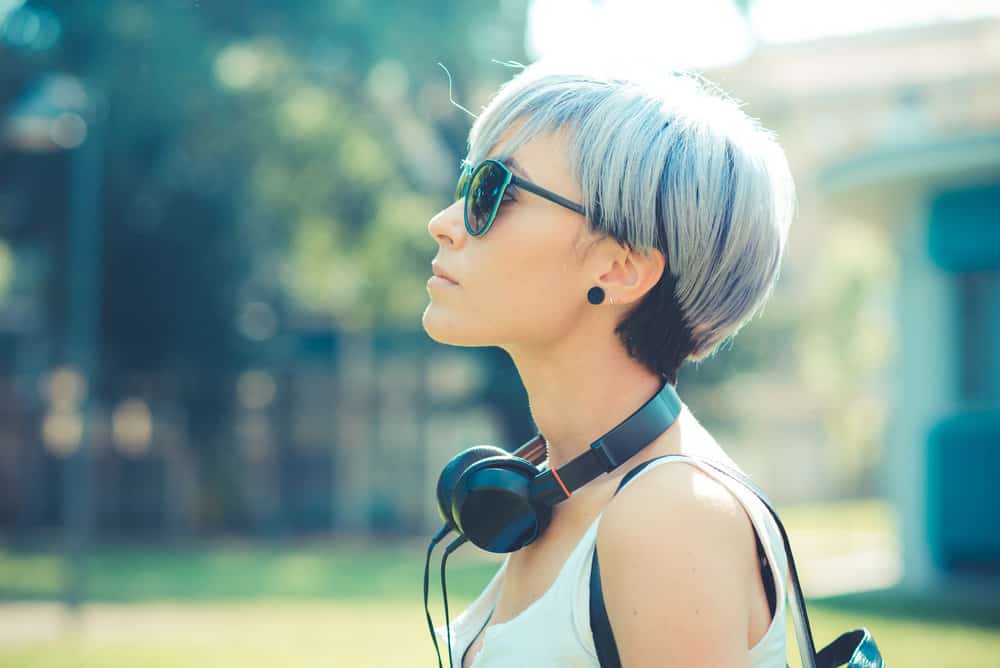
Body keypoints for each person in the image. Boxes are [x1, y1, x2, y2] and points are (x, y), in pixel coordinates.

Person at [423, 59, 796, 667]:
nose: (444, 224)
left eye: (494, 191)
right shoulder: (564, 487)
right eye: (465, 184)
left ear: (620, 268)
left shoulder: (669, 517)